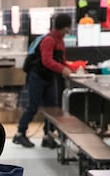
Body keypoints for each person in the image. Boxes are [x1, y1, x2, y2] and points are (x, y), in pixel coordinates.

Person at [13, 13, 72, 149]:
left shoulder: (60, 41)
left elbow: (61, 60)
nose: (68, 31)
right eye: (68, 28)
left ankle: (48, 135)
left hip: (49, 78)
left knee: (51, 107)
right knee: (33, 106)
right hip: (37, 77)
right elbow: (47, 61)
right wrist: (62, 69)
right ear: (63, 28)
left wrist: (71, 69)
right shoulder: (49, 40)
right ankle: (20, 133)